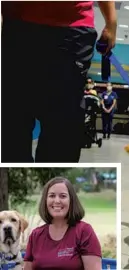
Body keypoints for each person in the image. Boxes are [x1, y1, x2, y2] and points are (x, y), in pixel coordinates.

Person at [1, 1, 117, 162]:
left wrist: (111, 22)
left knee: (63, 133)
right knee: (11, 127)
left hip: (72, 30)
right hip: (18, 24)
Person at [24, 177, 102, 270]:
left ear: (71, 200)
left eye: (63, 196)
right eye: (52, 196)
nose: (57, 201)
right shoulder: (35, 235)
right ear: (45, 200)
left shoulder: (84, 231)